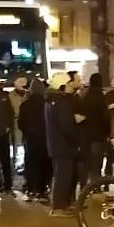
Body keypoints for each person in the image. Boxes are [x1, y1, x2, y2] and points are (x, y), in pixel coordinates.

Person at [46, 73, 81, 215]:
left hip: (56, 144)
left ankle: (62, 204)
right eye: (68, 84)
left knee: (62, 175)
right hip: (64, 145)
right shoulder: (61, 102)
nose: (70, 86)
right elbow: (66, 125)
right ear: (62, 86)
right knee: (63, 177)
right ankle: (58, 207)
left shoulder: (50, 100)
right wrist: (76, 135)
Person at [16, 74, 51, 201]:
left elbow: (21, 122)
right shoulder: (46, 103)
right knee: (44, 163)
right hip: (45, 138)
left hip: (30, 139)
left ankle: (31, 189)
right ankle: (42, 190)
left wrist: (26, 132)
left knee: (31, 164)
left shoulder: (25, 104)